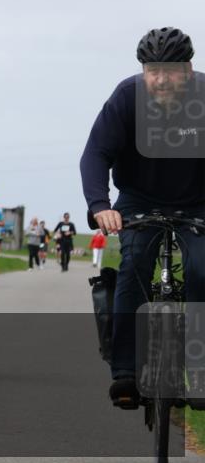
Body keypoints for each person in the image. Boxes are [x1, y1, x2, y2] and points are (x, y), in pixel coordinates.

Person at [79, 27, 205, 409]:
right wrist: (101, 205)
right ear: (143, 70)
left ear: (187, 69)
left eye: (170, 70)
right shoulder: (126, 97)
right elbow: (96, 153)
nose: (161, 79)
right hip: (138, 200)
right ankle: (126, 373)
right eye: (153, 70)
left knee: (202, 270)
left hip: (198, 202)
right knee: (134, 266)